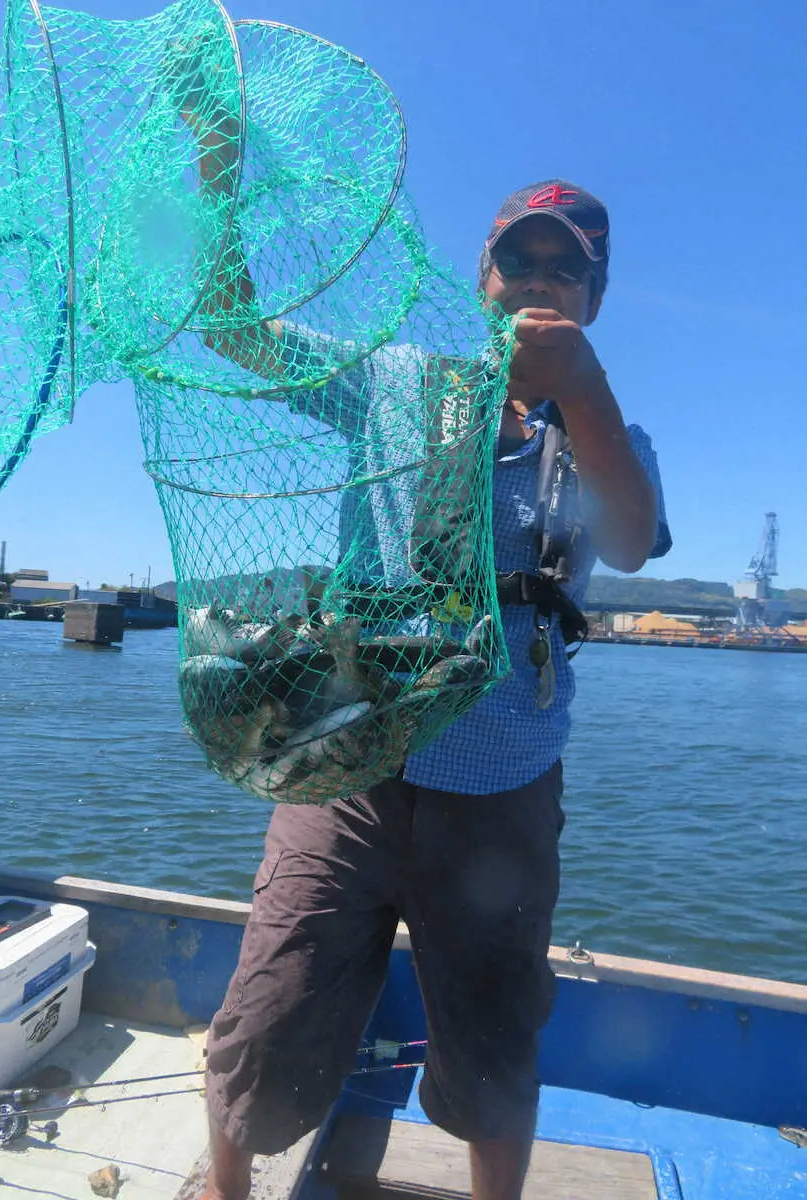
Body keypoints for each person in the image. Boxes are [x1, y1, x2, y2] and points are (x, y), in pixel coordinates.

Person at [192, 155, 671, 1198]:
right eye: (518, 260)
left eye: (566, 267)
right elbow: (234, 327)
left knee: (496, 1037)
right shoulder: (391, 381)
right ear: (482, 279)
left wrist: (580, 388)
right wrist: (220, 167)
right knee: (268, 1012)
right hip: (351, 766)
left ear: (594, 298)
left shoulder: (609, 433)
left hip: (504, 787)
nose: (540, 278)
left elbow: (631, 542)